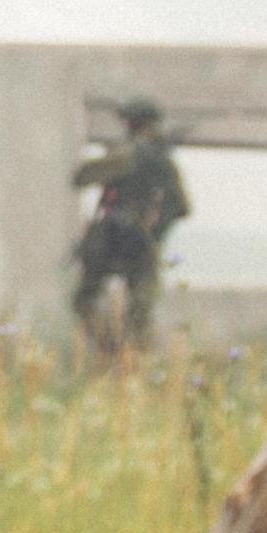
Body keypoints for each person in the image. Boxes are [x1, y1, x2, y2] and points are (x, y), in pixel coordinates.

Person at [70, 97, 190, 354]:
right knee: (140, 315)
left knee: (84, 302)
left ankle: (111, 350)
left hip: (114, 241)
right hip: (141, 245)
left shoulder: (128, 153)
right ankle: (133, 361)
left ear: (131, 124)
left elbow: (81, 177)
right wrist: (155, 231)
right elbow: (182, 207)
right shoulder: (163, 162)